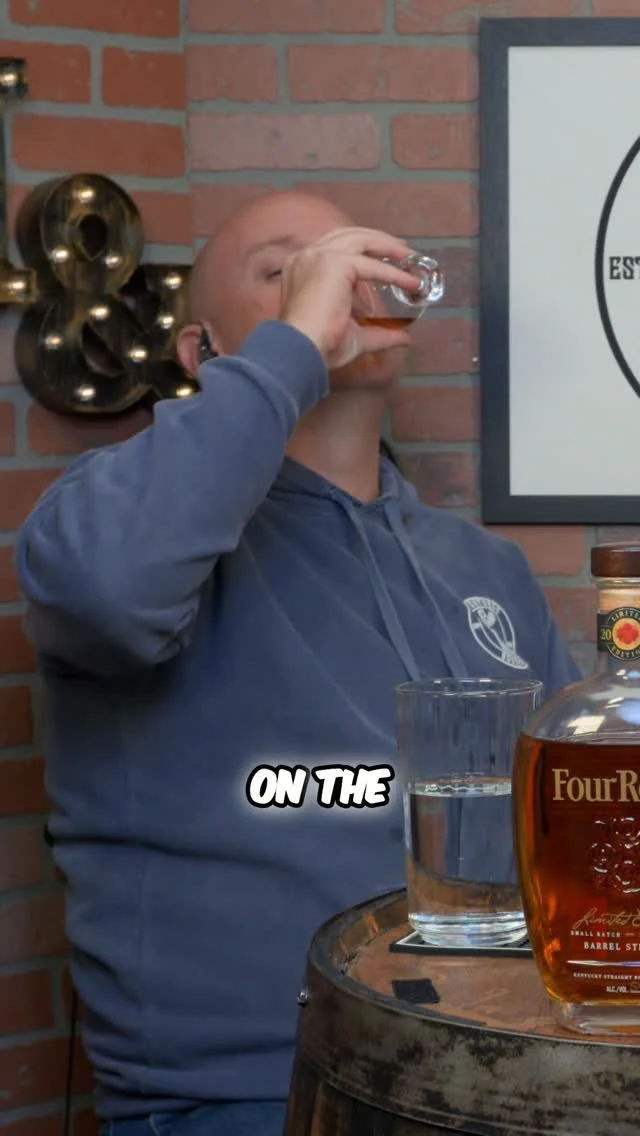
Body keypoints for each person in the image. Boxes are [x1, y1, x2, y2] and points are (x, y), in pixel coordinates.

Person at [15, 191, 581, 1136]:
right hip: (254, 1094)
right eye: (287, 271)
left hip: (498, 1078)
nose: (339, 282)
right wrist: (296, 351)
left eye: (349, 261)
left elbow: (571, 820)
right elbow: (103, 593)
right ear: (203, 352)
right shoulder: (121, 518)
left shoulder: (484, 568)